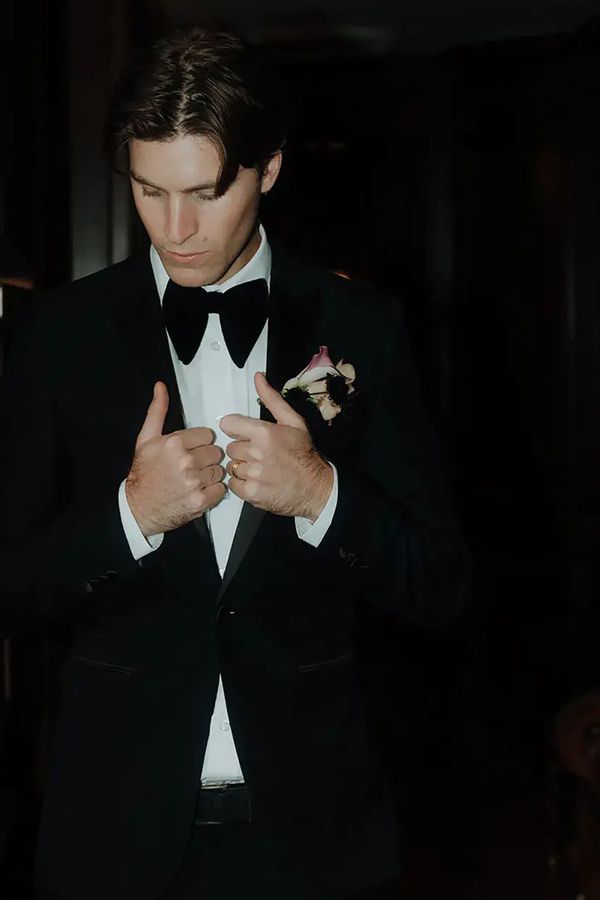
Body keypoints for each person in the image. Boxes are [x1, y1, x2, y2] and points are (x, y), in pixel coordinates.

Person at [0, 26, 468, 900]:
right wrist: (127, 519)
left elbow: (442, 585)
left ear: (272, 168)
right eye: (148, 190)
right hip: (112, 840)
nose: (175, 229)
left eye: (206, 193)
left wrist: (322, 495)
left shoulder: (362, 330)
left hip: (315, 839)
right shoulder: (57, 337)